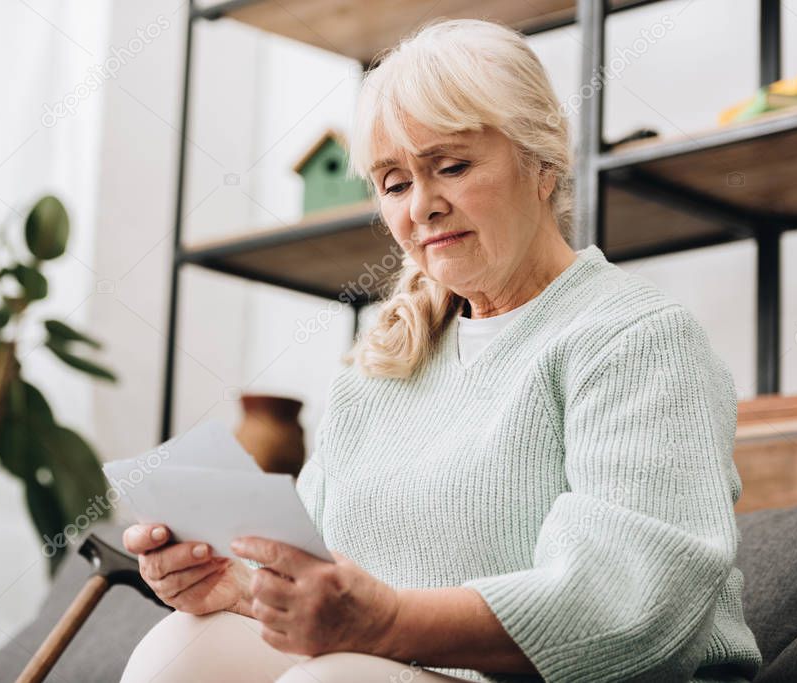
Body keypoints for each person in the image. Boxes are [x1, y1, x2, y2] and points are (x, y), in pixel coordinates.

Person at [119, 17, 762, 683]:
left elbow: (631, 600)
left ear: (540, 163)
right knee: (177, 651)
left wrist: (388, 621)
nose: (422, 205)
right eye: (394, 183)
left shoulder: (635, 338)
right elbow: (320, 575)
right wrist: (236, 585)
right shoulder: (377, 368)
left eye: (450, 166)